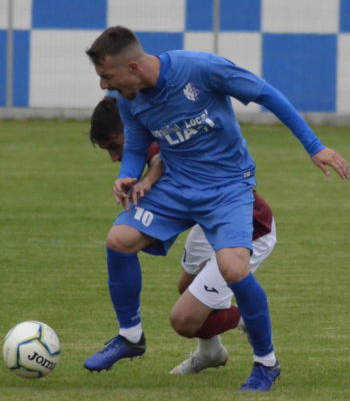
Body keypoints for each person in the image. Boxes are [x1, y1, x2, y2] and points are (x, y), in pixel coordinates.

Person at [84, 26, 350, 392]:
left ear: (131, 67)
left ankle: (266, 364)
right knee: (118, 239)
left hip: (226, 188)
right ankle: (130, 336)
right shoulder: (130, 99)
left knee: (233, 268)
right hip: (178, 187)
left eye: (106, 76)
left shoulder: (201, 69)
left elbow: (267, 94)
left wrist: (314, 145)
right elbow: (135, 147)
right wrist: (128, 176)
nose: (103, 87)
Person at [89, 95, 279, 375]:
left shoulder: (160, 136)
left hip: (249, 228)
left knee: (185, 321)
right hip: (205, 222)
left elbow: (161, 158)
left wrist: (148, 180)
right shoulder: (153, 131)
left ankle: (248, 320)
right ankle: (210, 353)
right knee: (186, 289)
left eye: (115, 146)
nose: (114, 157)